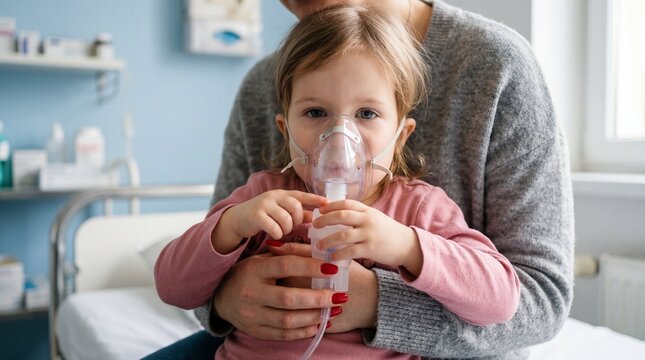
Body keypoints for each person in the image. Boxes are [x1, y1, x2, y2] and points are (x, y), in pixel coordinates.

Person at [146, 0, 574, 359]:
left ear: (402, 134)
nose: (340, 137)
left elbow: (508, 298)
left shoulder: (419, 210)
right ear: (284, 129)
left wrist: (406, 250)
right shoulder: (262, 194)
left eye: (367, 114)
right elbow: (174, 283)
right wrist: (227, 259)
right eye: (315, 113)